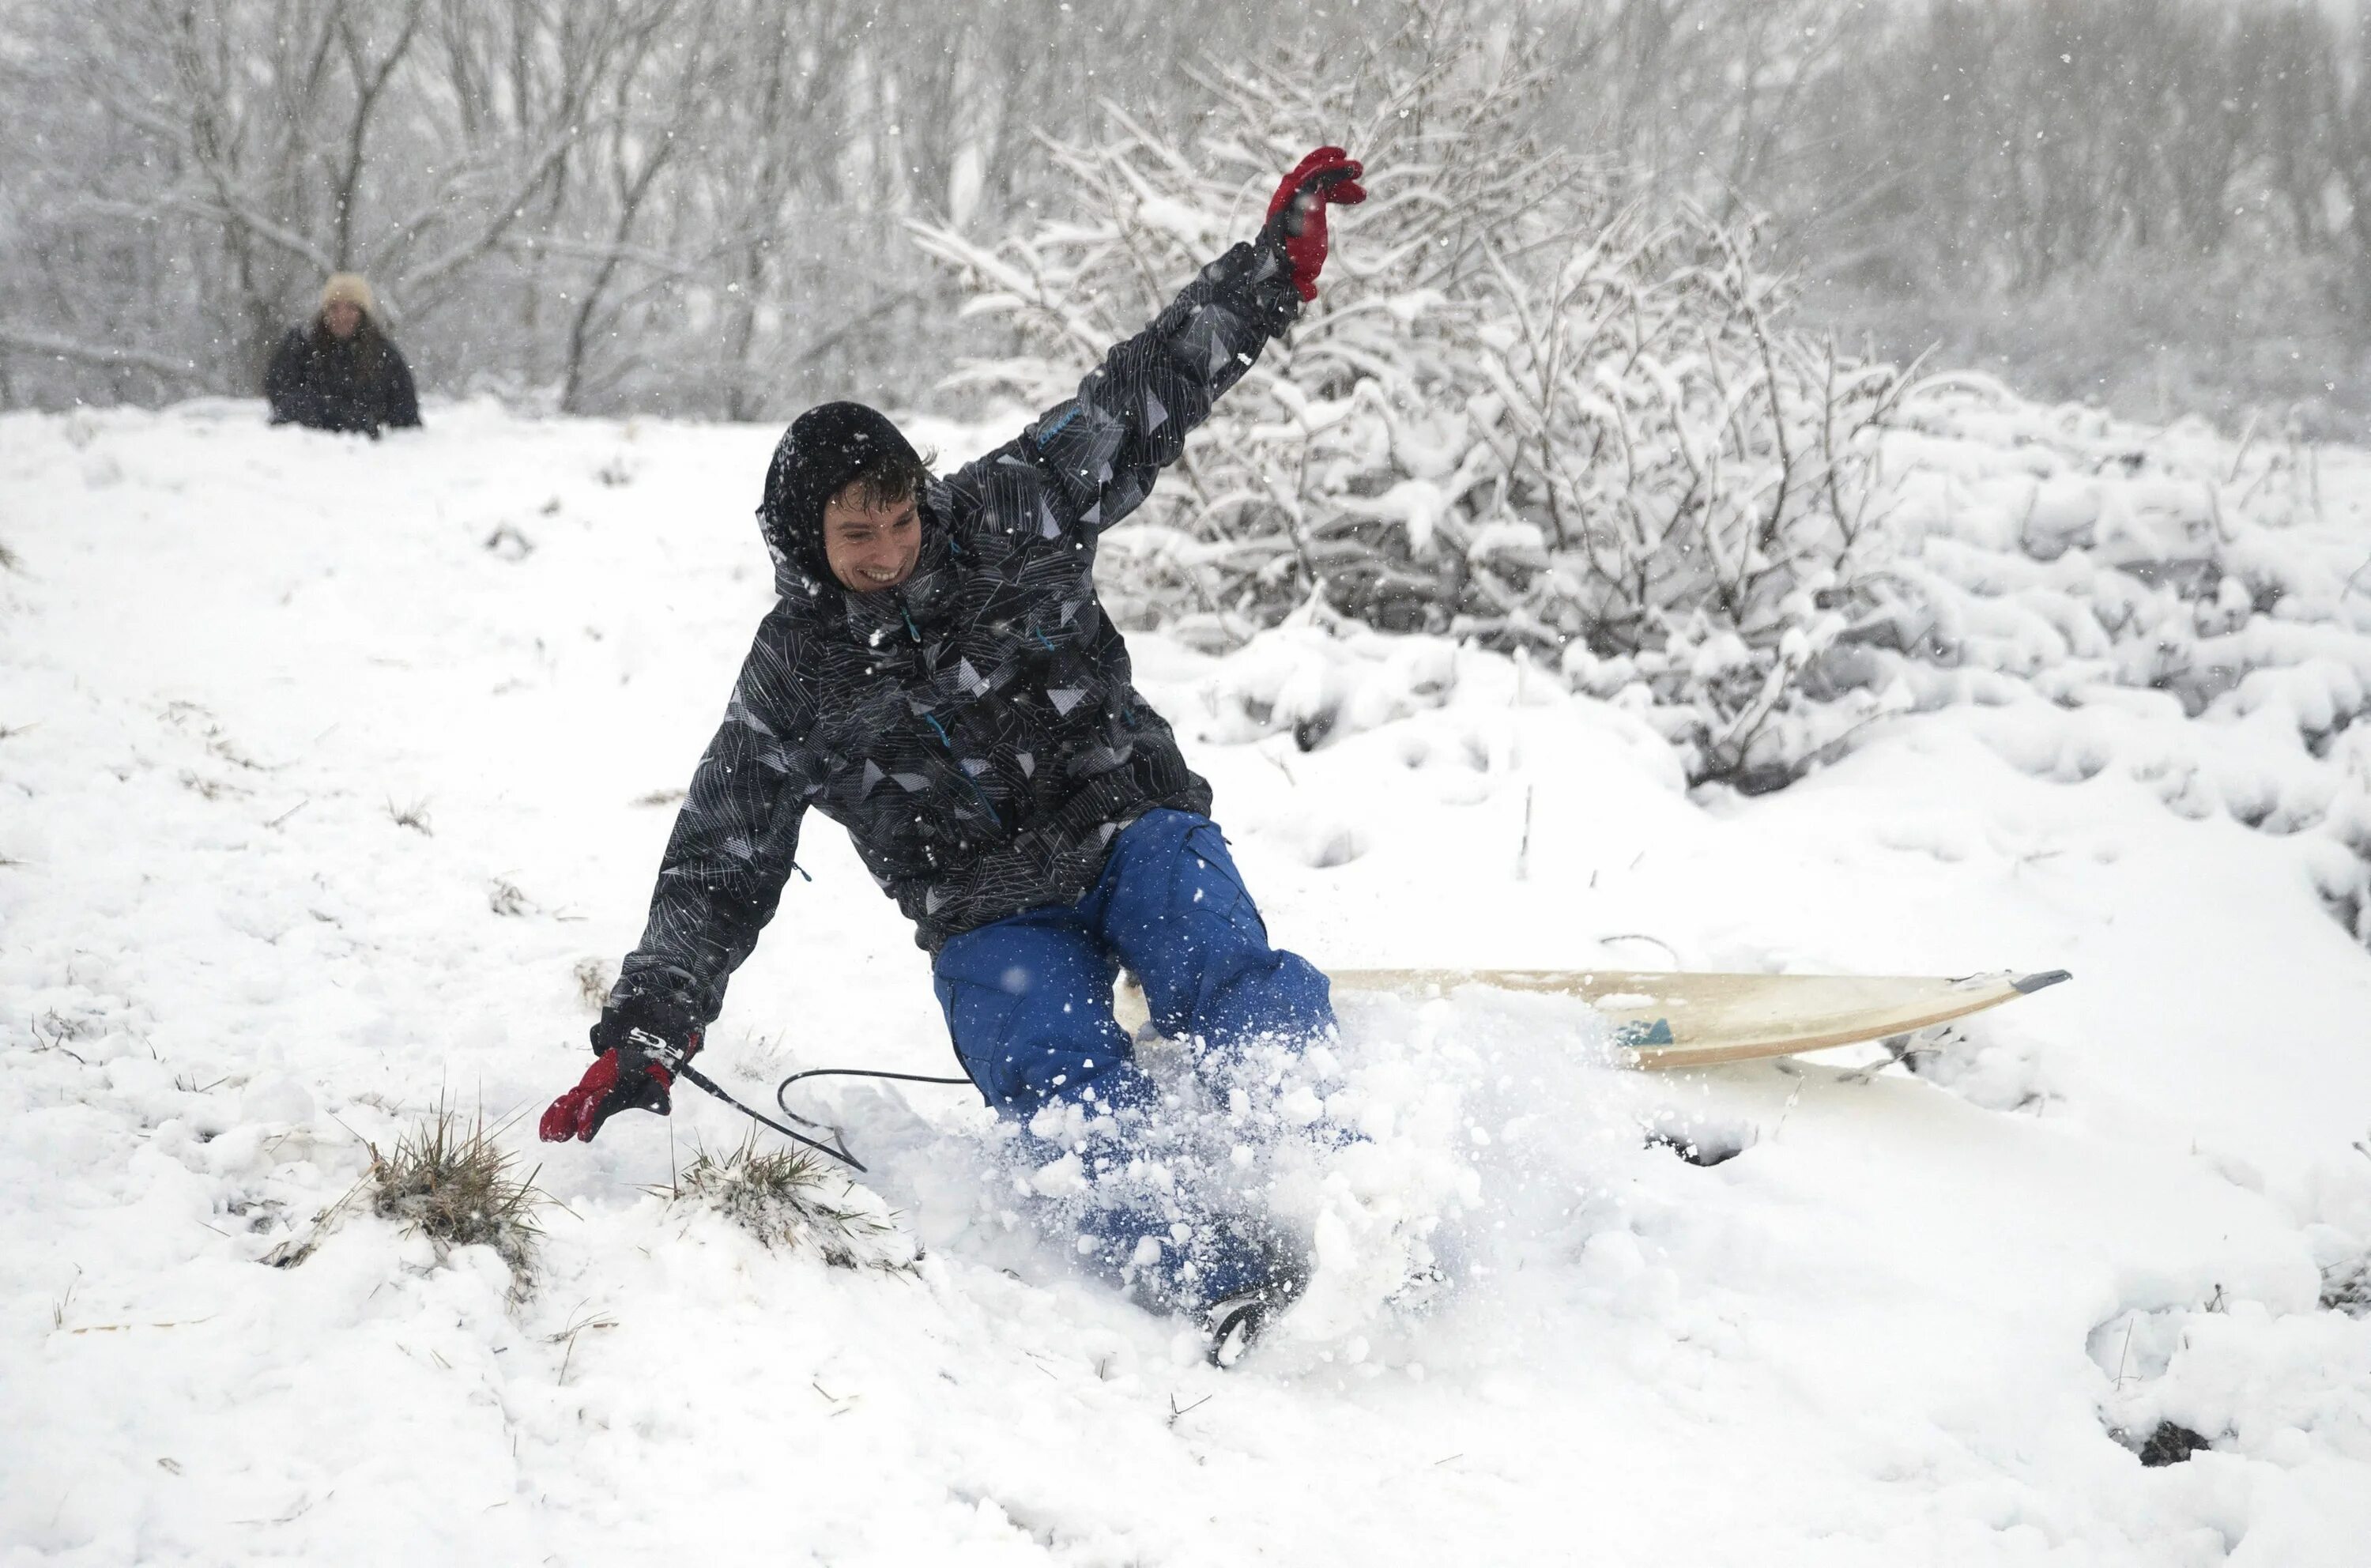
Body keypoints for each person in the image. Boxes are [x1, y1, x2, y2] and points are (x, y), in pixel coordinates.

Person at [541, 148, 1369, 1362]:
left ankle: (1336, 1180)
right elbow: (723, 855)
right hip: (990, 914)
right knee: (1053, 1076)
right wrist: (650, 1028)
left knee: (1213, 954)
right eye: (855, 534)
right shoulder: (796, 675)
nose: (888, 550)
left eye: (899, 516)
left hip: (1127, 825)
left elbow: (1144, 391)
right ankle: (1210, 1272)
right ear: (804, 540)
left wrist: (1270, 274)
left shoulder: (1010, 515)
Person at [264, 273, 421, 436]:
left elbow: (406, 418)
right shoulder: (301, 346)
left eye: (351, 308)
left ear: (363, 313)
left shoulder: (384, 355)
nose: (342, 316)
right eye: (334, 308)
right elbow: (282, 397)